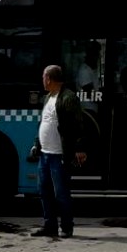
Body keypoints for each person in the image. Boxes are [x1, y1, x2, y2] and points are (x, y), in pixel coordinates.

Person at [28, 65, 85, 238]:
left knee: (61, 193)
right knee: (44, 191)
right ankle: (49, 226)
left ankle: (66, 227)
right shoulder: (48, 97)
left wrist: (80, 148)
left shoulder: (68, 98)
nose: (42, 81)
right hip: (45, 154)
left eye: (44, 77)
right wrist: (37, 144)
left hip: (59, 155)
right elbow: (43, 122)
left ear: (49, 79)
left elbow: (78, 124)